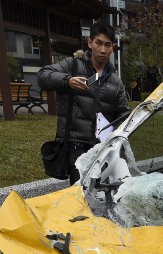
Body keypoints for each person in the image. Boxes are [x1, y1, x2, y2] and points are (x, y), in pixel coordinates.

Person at [38, 22, 130, 184]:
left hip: (103, 148)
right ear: (90, 43)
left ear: (112, 48)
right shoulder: (72, 66)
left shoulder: (116, 81)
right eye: (98, 43)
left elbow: (123, 114)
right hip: (76, 145)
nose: (102, 50)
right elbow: (43, 76)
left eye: (107, 45)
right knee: (80, 193)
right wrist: (67, 81)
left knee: (103, 193)